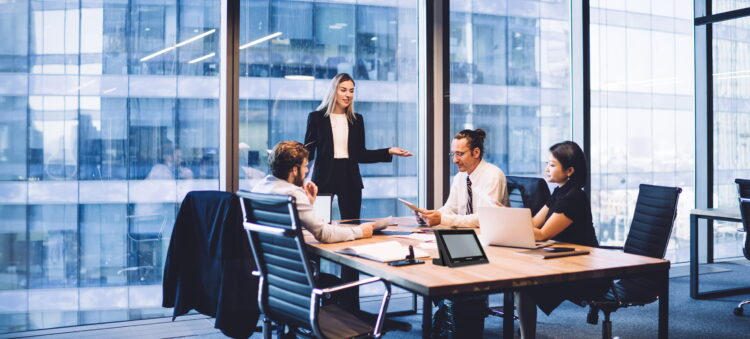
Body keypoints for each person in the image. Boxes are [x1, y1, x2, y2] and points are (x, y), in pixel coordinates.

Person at [512, 141, 606, 338]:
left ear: (569, 170)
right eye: (547, 163)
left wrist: (510, 223)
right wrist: (507, 217)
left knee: (524, 287)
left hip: (583, 270)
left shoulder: (574, 198)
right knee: (520, 282)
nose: (546, 169)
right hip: (564, 260)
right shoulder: (559, 192)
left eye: (552, 165)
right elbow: (534, 223)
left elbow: (544, 234)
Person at [304, 73, 412, 220]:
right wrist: (289, 157)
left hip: (350, 176)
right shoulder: (316, 118)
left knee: (352, 222)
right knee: (320, 222)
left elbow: (361, 154)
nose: (348, 94)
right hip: (323, 177)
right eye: (343, 90)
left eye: (351, 90)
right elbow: (308, 152)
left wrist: (388, 151)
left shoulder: (356, 120)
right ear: (334, 91)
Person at [252, 141, 375, 243]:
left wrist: (308, 203)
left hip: (273, 266)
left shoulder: (260, 187)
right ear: (295, 170)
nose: (306, 171)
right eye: (305, 166)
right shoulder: (293, 194)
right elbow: (324, 234)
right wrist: (360, 231)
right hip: (296, 269)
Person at [419, 129, 509, 228]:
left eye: (459, 154)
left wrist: (442, 219)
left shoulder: (492, 176)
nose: (454, 160)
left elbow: (483, 218)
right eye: (453, 154)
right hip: (467, 234)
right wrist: (428, 216)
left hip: (490, 237)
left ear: (476, 153)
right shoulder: (460, 177)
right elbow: (450, 209)